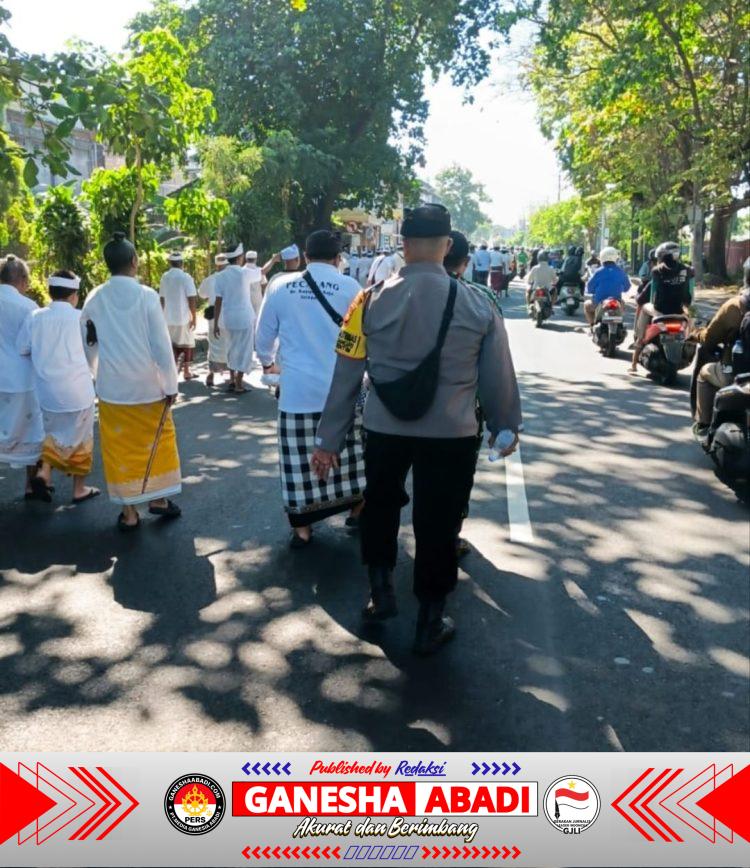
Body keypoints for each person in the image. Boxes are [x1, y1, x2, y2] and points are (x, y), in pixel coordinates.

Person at [311, 205, 522, 656]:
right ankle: (429, 619)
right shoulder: (479, 303)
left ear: (403, 246)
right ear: (447, 246)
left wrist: (327, 442)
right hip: (452, 432)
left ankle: (380, 593)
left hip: (385, 428)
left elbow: (346, 376)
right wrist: (504, 427)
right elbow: (497, 377)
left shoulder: (365, 301)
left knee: (382, 506)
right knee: (438, 522)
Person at [255, 229, 365, 547]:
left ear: (305, 256)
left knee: (298, 459)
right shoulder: (351, 288)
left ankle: (302, 528)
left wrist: (267, 364)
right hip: (342, 392)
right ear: (338, 258)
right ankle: (357, 507)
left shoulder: (280, 286)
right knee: (350, 454)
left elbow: (263, 337)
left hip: (297, 392)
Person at [81, 232, 182, 531]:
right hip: (149, 387)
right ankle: (159, 500)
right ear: (134, 262)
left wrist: (96, 373)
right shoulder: (147, 296)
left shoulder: (94, 297)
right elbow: (162, 348)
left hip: (113, 390)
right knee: (158, 444)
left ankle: (129, 513)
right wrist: (171, 385)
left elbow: (89, 342)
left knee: (119, 451)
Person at [444, 230, 505, 558]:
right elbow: (495, 362)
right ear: (465, 263)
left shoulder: (393, 292)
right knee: (457, 477)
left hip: (396, 410)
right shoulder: (483, 297)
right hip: (466, 410)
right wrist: (501, 419)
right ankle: (450, 535)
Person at [17, 271, 99, 504]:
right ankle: (79, 489)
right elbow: (93, 352)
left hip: (48, 393)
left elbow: (22, 348)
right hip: (79, 391)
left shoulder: (35, 317)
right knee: (82, 439)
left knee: (52, 435)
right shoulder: (82, 318)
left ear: (50, 292)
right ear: (74, 295)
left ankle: (44, 472)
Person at [0, 254, 45, 499]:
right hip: (21, 380)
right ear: (23, 280)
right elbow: (32, 346)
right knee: (31, 432)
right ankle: (31, 483)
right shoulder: (29, 307)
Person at [691, 285, 750, 438]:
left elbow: (709, 338)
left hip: (738, 374)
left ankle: (704, 424)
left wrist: (697, 334)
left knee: (704, 373)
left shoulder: (734, 306)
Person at [629, 241, 692, 372]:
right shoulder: (686, 270)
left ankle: (637, 349)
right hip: (679, 311)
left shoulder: (657, 271)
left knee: (645, 307)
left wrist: (641, 299)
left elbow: (650, 295)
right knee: (690, 321)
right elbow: (688, 294)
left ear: (661, 256)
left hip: (660, 310)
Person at [213, 242, 255, 393]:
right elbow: (262, 272)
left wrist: (216, 323)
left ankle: (231, 378)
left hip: (228, 318)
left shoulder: (220, 276)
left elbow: (218, 300)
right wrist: (274, 260)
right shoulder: (245, 273)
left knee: (231, 349)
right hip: (245, 317)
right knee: (244, 350)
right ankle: (238, 383)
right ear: (239, 257)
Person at [159, 251, 197, 381]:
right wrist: (194, 317)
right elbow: (191, 298)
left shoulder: (165, 277)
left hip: (167, 318)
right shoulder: (186, 277)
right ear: (182, 263)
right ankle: (186, 371)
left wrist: (160, 316)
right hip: (183, 317)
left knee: (170, 345)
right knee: (186, 343)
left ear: (170, 263)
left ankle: (171, 372)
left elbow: (162, 299)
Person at [199, 253, 229, 387]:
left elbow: (202, 294)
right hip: (228, 316)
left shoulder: (210, 279)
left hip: (213, 316)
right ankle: (233, 376)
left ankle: (211, 374)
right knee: (229, 345)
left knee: (213, 344)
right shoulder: (231, 278)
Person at [584, 246, 630, 327]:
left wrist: (592, 291)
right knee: (623, 303)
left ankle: (592, 325)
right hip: (617, 302)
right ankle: (620, 324)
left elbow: (589, 287)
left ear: (602, 257)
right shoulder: (620, 271)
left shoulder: (598, 272)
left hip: (599, 303)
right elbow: (627, 287)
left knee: (586, 305)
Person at [244, 250, 266, 315]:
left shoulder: (241, 271)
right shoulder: (260, 270)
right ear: (256, 259)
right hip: (258, 300)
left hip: (245, 301)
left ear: (246, 259)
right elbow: (264, 285)